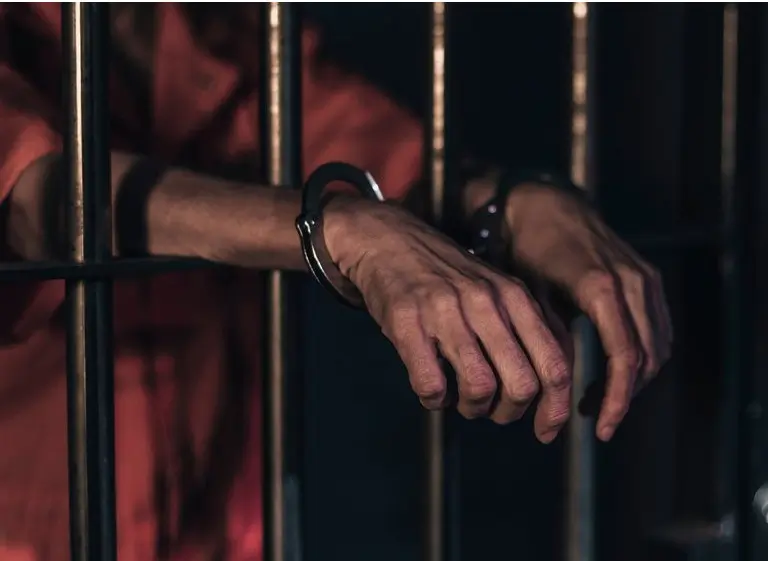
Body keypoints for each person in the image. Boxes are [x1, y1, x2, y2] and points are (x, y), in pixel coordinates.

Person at [0, 4, 671, 561]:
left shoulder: (201, 26)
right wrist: (341, 230)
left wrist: (519, 204)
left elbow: (375, 150)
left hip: (218, 520)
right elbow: (35, 196)